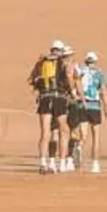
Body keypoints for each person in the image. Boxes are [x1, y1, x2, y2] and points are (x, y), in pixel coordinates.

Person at [29, 41, 75, 174]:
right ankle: (61, 163)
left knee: (45, 131)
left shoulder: (41, 62)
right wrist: (73, 92)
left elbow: (32, 79)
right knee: (64, 129)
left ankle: (43, 162)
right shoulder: (63, 62)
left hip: (44, 98)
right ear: (60, 51)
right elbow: (68, 76)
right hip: (58, 97)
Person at [71, 51, 105, 175]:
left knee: (83, 135)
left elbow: (76, 84)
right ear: (95, 62)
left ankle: (79, 147)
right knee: (96, 137)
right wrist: (105, 107)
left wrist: (83, 100)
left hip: (82, 105)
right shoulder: (99, 74)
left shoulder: (80, 71)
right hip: (95, 106)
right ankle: (95, 165)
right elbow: (103, 91)